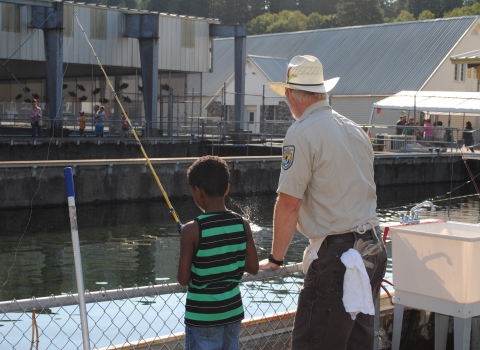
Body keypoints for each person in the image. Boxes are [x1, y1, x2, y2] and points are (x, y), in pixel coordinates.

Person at [259, 55, 387, 350]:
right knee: (357, 343)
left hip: (338, 259)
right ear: (322, 91)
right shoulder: (355, 129)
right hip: (372, 249)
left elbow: (289, 204)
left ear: (291, 95)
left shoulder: (302, 132)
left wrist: (276, 258)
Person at [178, 155, 259, 350]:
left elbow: (183, 278)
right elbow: (254, 267)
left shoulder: (191, 230)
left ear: (198, 192)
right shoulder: (242, 224)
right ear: (227, 189)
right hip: (232, 313)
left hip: (203, 317)